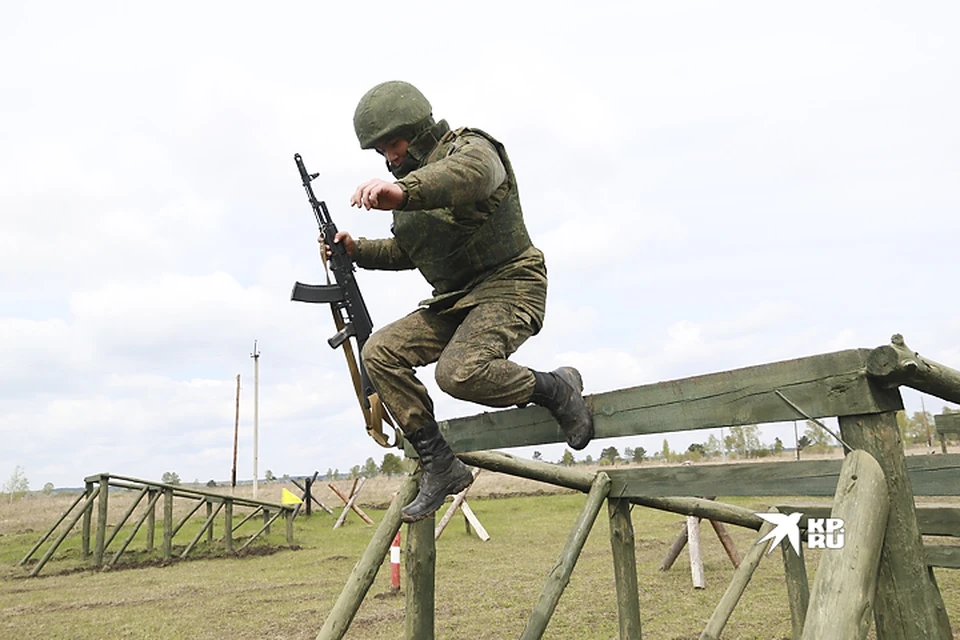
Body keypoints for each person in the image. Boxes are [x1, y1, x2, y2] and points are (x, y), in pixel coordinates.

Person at [327, 80, 594, 523]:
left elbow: (471, 177)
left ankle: (556, 388)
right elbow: (407, 252)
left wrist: (404, 193)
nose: (390, 158)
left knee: (458, 372)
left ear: (416, 128)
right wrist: (355, 250)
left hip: (511, 284)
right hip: (455, 301)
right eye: (382, 153)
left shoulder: (470, 148)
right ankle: (440, 463)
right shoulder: (408, 191)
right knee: (380, 351)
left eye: (393, 144)